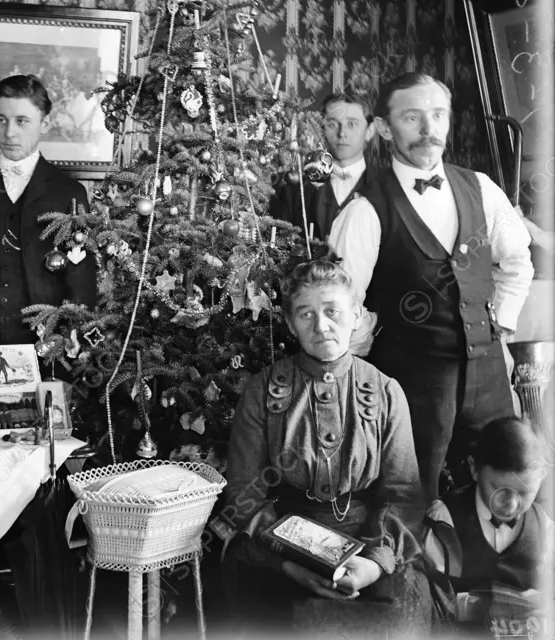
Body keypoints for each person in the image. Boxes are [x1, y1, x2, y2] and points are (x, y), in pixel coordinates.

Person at [329, 72, 534, 501]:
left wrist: (504, 329)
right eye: (412, 117)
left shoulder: (480, 188)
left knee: (506, 488)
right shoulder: (365, 210)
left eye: (438, 115)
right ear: (384, 128)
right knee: (410, 498)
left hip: (489, 376)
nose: (429, 129)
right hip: (410, 386)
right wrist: (375, 363)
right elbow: (342, 305)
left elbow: (516, 262)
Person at [220, 259, 431, 638]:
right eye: (306, 314)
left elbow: (404, 494)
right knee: (276, 612)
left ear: (356, 314)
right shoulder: (262, 389)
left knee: (401, 603)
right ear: (290, 324)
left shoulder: (385, 392)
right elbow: (243, 492)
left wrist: (375, 562)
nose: (321, 326)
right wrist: (288, 563)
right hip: (281, 539)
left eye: (333, 311)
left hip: (368, 534)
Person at [0, 74, 97, 346]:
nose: (9, 132)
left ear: (44, 123)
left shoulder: (69, 192)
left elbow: (81, 274)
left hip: (44, 343)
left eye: (22, 121)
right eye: (1, 120)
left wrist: (70, 335)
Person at [422, 417, 552, 635]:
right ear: (474, 469)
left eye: (523, 493)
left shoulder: (542, 526)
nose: (510, 505)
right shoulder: (445, 522)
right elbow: (432, 602)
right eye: (498, 489)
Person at [270, 92, 380, 240]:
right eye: (332, 124)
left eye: (352, 124)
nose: (342, 133)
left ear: (370, 131)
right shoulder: (295, 188)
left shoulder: (389, 189)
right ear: (321, 130)